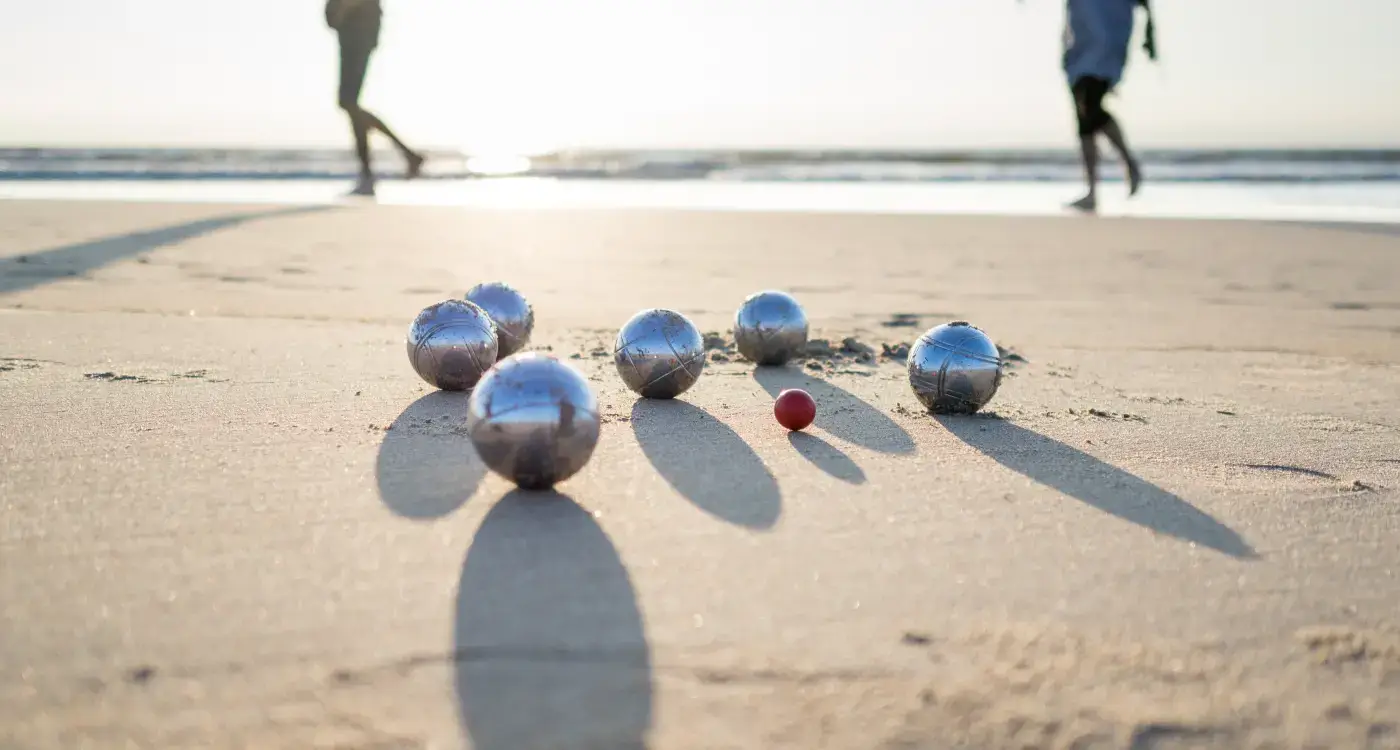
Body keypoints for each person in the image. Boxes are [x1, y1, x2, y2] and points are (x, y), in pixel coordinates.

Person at [1061, 0, 1156, 212]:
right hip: (1079, 43)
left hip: (1107, 42)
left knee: (1089, 107)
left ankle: (1129, 163)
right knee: (1084, 121)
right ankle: (1092, 191)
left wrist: (1151, 32)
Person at [326, 0, 424, 196]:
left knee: (348, 102)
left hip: (358, 36)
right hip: (352, 36)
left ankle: (396, 159)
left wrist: (343, 8)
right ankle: (373, 171)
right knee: (351, 105)